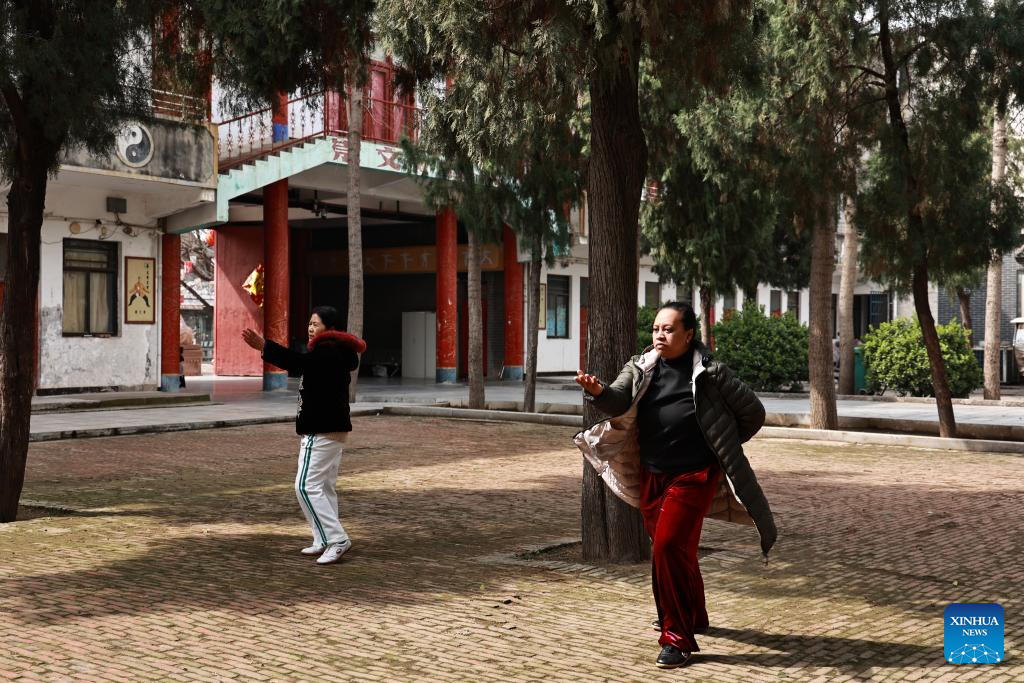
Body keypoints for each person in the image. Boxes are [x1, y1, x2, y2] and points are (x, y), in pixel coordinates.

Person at [574, 301, 777, 669]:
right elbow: (618, 400)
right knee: (676, 549)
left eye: (668, 329)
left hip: (694, 475)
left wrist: (722, 440)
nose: (659, 335)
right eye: (656, 329)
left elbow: (754, 413)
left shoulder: (711, 373)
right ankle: (693, 614)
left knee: (667, 546)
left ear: (688, 334)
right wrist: (599, 391)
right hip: (652, 473)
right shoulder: (641, 367)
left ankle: (677, 638)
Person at [241, 305, 366, 565]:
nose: (310, 328)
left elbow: (297, 363)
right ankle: (322, 538)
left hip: (321, 429)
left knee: (305, 486)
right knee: (324, 487)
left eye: (315, 324)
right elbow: (304, 364)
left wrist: (265, 346)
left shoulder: (328, 350)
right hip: (333, 429)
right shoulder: (336, 351)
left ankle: (337, 539)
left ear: (329, 328)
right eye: (309, 323)